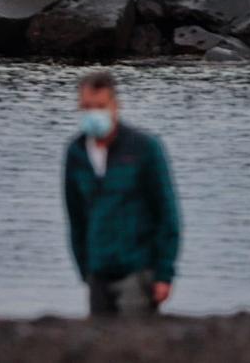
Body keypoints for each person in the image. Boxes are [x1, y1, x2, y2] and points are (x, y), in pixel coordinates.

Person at [63, 71, 182, 316]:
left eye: (100, 106)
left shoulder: (145, 148)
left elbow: (167, 214)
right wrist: (85, 268)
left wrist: (164, 273)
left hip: (138, 269)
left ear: (115, 106)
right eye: (86, 107)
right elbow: (76, 217)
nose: (93, 113)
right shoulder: (75, 154)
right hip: (98, 271)